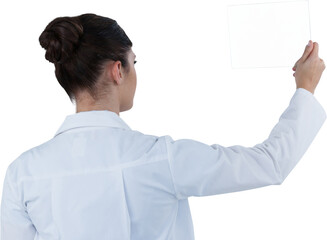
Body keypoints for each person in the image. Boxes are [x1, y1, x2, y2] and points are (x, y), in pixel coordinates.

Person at [0, 13, 325, 240]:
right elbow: (269, 164)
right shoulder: (161, 159)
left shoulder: (23, 173)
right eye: (133, 63)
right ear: (118, 71)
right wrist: (305, 88)